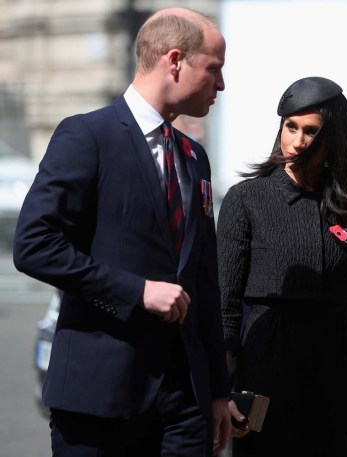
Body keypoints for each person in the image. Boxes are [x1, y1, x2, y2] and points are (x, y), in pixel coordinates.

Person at [13, 7, 231, 456]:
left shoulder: (194, 157)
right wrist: (137, 291)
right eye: (214, 69)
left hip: (183, 403)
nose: (221, 85)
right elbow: (35, 245)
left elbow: (204, 281)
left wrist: (216, 390)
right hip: (100, 397)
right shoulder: (85, 136)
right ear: (175, 61)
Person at [217, 76, 347, 457]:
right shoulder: (247, 199)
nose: (297, 141)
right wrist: (220, 391)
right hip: (265, 363)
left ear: (334, 138)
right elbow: (225, 307)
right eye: (290, 127)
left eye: (311, 131)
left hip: (338, 368)